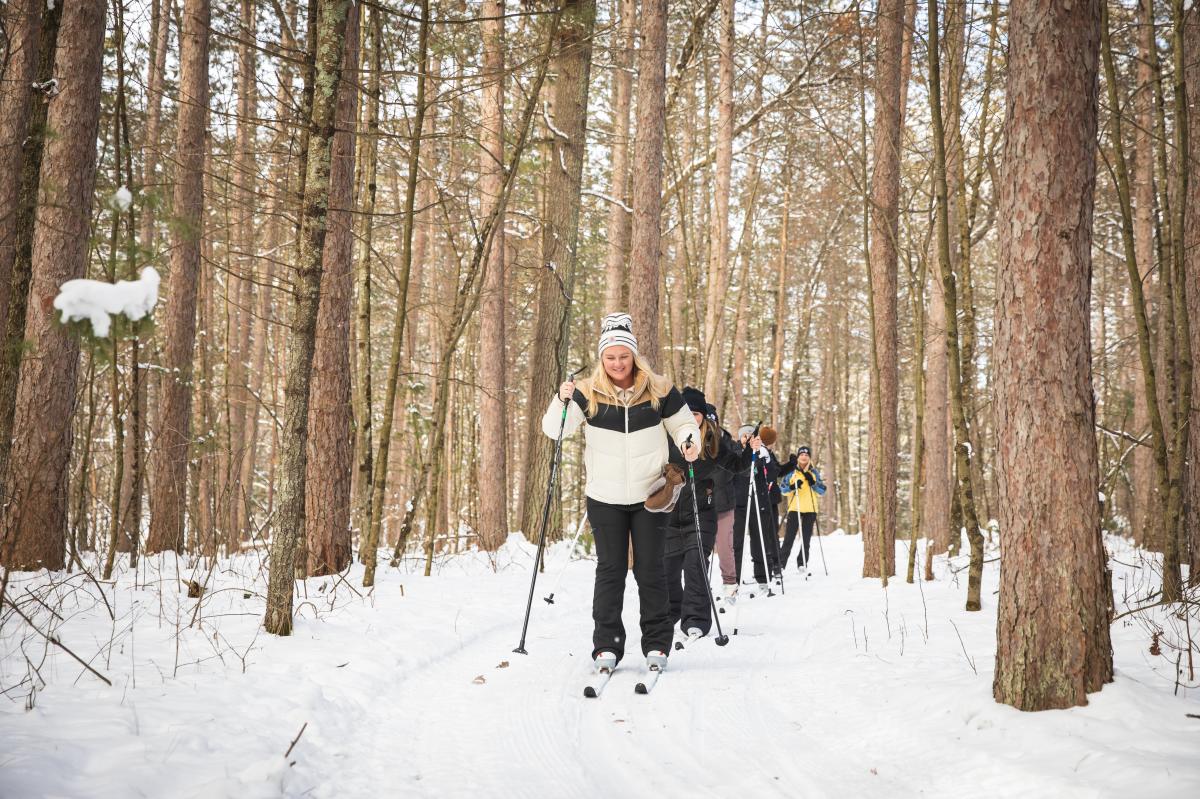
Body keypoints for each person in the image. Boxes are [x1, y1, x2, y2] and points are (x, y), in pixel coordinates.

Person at [542, 312, 700, 674]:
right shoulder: (585, 392)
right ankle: (606, 645)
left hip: (651, 495)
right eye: (610, 357)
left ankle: (657, 643)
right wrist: (560, 399)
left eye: (623, 356)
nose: (617, 363)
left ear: (634, 356)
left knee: (650, 570)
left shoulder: (659, 389)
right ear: (602, 358)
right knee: (610, 570)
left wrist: (689, 441)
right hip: (605, 496)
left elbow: (684, 424)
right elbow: (556, 431)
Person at [663, 388, 754, 638]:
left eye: (696, 413)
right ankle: (673, 609)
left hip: (702, 510)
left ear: (703, 415)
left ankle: (696, 619)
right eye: (687, 413)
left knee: (695, 566)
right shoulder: (667, 436)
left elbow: (737, 465)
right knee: (667, 569)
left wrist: (749, 450)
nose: (692, 418)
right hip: (669, 511)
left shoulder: (713, 440)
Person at [732, 424, 782, 595]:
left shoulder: (763, 453)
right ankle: (734, 581)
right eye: (744, 435)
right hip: (738, 504)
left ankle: (762, 577)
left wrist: (765, 458)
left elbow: (773, 475)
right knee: (736, 543)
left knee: (759, 541)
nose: (747, 438)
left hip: (758, 502)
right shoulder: (735, 452)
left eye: (750, 435)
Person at [705, 403, 740, 600]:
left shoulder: (726, 441)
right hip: (703, 503)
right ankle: (701, 584)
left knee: (725, 546)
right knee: (701, 548)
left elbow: (738, 462)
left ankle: (729, 583)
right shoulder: (694, 440)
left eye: (713, 421)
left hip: (724, 503)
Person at [779, 445, 826, 572]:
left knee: (806, 539)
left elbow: (822, 490)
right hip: (795, 508)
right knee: (789, 537)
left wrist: (813, 484)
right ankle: (781, 564)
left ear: (809, 458)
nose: (804, 457)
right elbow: (782, 489)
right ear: (798, 457)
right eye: (801, 455)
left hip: (810, 509)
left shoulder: (814, 472)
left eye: (806, 455)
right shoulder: (791, 472)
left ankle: (802, 563)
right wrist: (792, 487)